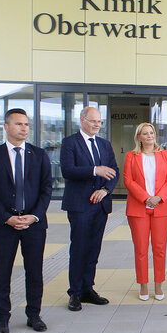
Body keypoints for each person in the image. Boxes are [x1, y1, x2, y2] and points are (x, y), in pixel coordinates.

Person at [0, 108, 52, 333]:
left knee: (35, 271)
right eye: (19, 124)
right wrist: (7, 217)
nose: (24, 128)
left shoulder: (39, 155)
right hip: (3, 226)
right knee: (2, 273)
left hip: (34, 224)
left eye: (26, 124)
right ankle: (2, 318)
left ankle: (34, 315)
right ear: (6, 126)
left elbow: (46, 189)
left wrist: (35, 215)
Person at [60, 106, 119, 312]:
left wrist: (105, 189)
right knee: (79, 249)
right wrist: (95, 170)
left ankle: (88, 288)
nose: (97, 125)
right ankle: (75, 292)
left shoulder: (104, 144)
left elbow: (114, 171)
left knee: (93, 248)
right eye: (93, 121)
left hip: (100, 205)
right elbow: (67, 170)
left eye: (100, 122)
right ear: (82, 120)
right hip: (79, 205)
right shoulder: (70, 143)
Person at [124, 123, 167, 301]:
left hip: (161, 207)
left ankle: (159, 285)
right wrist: (146, 197)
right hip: (138, 208)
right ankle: (143, 285)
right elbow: (128, 180)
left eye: (151, 132)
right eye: (145, 133)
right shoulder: (131, 156)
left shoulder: (165, 155)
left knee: (160, 248)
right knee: (140, 249)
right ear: (139, 137)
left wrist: (158, 197)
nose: (149, 136)